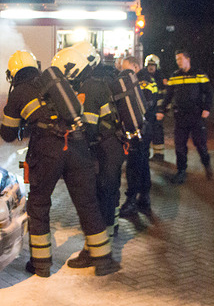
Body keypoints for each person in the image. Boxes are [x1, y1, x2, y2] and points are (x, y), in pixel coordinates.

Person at [0, 50, 120, 278]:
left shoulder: (19, 92)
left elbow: (7, 133)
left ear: (13, 73)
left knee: (39, 205)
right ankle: (104, 259)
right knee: (88, 203)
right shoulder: (54, 83)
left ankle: (41, 264)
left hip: (47, 152)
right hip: (77, 147)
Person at [58, 44, 124, 239]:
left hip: (106, 146)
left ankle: (105, 234)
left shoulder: (89, 87)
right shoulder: (105, 78)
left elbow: (90, 127)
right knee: (112, 187)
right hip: (116, 142)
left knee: (104, 189)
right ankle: (114, 225)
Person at [156, 49, 214, 184]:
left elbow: (209, 93)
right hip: (180, 116)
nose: (178, 62)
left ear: (188, 59)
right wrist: (161, 110)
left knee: (200, 144)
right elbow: (168, 96)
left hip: (196, 116)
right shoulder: (175, 76)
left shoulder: (199, 74)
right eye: (177, 60)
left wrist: (206, 108)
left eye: (180, 59)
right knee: (179, 145)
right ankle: (181, 171)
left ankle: (207, 164)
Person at [120, 56, 157, 217]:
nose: (123, 72)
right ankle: (144, 197)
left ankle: (131, 201)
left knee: (134, 165)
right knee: (142, 163)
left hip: (141, 128)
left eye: (126, 68)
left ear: (135, 67)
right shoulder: (143, 79)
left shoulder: (142, 81)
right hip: (145, 127)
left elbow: (145, 104)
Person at [143, 54, 166, 162]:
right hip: (149, 111)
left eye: (153, 65)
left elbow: (165, 96)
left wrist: (162, 110)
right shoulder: (144, 77)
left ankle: (159, 154)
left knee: (158, 132)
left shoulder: (161, 79)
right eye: (149, 65)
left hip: (158, 111)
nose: (151, 67)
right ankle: (146, 153)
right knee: (147, 132)